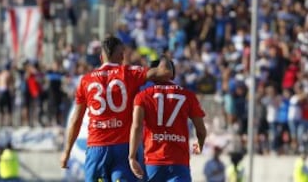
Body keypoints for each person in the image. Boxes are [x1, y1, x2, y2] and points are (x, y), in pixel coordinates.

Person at [60, 36, 173, 182]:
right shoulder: (129, 73)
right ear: (121, 56)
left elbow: (76, 120)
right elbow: (165, 72)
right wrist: (164, 56)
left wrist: (66, 152)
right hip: (123, 148)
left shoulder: (85, 80)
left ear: (101, 57)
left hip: (96, 149)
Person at [128, 59, 207, 181]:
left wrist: (132, 156)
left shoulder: (142, 96)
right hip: (179, 163)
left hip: (153, 162)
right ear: (173, 75)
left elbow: (137, 127)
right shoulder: (188, 96)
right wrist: (200, 144)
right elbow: (201, 130)